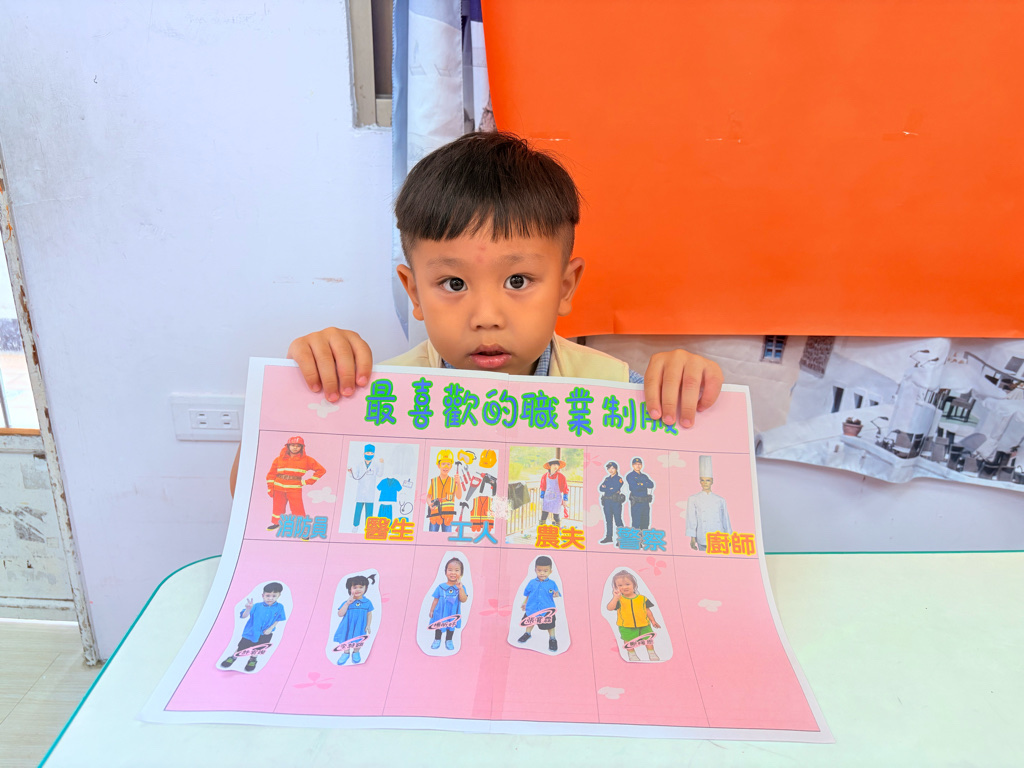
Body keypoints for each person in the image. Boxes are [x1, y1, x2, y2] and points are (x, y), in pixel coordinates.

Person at [275, 133, 723, 465]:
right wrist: (299, 396)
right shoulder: (377, 397)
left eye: (518, 281)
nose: (486, 318)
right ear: (414, 292)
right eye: (454, 284)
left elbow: (690, 483)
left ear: (565, 287)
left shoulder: (618, 392)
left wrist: (690, 393)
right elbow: (263, 495)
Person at [220, 582, 286, 672]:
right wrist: (248, 609)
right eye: (268, 595)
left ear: (279, 595)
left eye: (274, 596)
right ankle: (234, 656)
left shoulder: (280, 607)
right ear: (263, 595)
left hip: (265, 633)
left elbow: (279, 618)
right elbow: (243, 616)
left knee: (258, 648)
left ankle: (253, 659)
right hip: (251, 632)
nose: (270, 598)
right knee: (242, 646)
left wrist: (271, 628)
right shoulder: (256, 606)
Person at [265, 437, 326, 530]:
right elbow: (271, 474)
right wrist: (270, 488)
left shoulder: (307, 460)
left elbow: (321, 470)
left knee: (298, 509)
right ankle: (277, 523)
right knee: (278, 507)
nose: (295, 448)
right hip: (278, 488)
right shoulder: (278, 459)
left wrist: (307, 482)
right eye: (293, 445)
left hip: (294, 488)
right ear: (288, 446)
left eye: (298, 446)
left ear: (302, 448)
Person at [606, 570, 660, 662]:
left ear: (634, 585)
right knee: (628, 640)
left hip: (644, 625)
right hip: (626, 626)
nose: (624, 587)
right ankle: (632, 654)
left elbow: (648, 611)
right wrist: (615, 597)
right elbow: (609, 608)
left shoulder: (642, 598)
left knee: (648, 639)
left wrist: (653, 621)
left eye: (627, 584)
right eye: (620, 585)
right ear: (616, 587)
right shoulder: (619, 600)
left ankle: (651, 653)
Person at [685, 455, 732, 551]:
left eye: (708, 480)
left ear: (712, 481)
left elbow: (725, 519)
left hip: (719, 535)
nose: (705, 483)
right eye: (702, 480)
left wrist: (729, 536)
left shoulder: (720, 500)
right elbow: (692, 520)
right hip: (702, 536)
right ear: (700, 482)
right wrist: (692, 538)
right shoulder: (693, 499)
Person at [516, 555, 562, 652]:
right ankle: (527, 634)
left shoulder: (552, 583)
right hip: (532, 608)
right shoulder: (531, 582)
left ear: (550, 571)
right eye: (539, 570)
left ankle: (552, 639)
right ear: (535, 570)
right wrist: (524, 603)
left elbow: (556, 594)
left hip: (547, 609)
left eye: (545, 571)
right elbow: (528, 595)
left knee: (550, 625)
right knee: (530, 621)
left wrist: (556, 594)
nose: (542, 573)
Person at [427, 557, 468, 651]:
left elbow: (463, 599)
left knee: (451, 626)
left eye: (456, 570)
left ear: (461, 573)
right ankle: (437, 639)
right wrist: (431, 611)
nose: (453, 573)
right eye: (450, 570)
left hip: (452, 613)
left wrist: (460, 588)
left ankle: (449, 640)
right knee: (438, 626)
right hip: (440, 613)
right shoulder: (440, 587)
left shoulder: (461, 587)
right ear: (445, 572)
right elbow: (435, 600)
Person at [333, 574, 375, 665]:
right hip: (347, 626)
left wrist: (368, 625)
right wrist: (347, 603)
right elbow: (340, 614)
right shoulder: (347, 602)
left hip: (360, 626)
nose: (358, 589)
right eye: (355, 587)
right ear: (350, 589)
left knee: (359, 639)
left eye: (361, 587)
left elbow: (369, 614)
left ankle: (356, 652)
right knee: (346, 639)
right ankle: (346, 653)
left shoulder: (367, 602)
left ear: (365, 588)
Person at [426, 450, 462, 532]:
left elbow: (459, 496)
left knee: (446, 539)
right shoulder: (434, 481)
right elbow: (428, 497)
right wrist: (429, 503)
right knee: (431, 538)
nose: (446, 467)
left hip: (447, 518)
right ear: (438, 465)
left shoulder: (453, 481)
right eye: (443, 464)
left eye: (448, 464)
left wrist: (459, 483)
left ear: (451, 466)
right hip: (435, 516)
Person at [348, 443, 382, 528]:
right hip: (361, 492)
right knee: (358, 510)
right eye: (367, 453)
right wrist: (350, 472)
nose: (369, 455)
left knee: (369, 512)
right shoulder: (359, 465)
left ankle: (368, 527)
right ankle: (355, 526)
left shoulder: (376, 465)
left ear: (373, 454)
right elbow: (356, 476)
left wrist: (382, 464)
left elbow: (380, 474)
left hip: (370, 492)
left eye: (371, 453)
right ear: (364, 453)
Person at [598, 461, 625, 544]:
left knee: (618, 520)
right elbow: (600, 488)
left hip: (615, 502)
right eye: (609, 468)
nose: (611, 470)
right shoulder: (607, 479)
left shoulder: (619, 479)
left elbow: (615, 489)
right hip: (607, 502)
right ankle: (609, 537)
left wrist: (607, 488)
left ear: (616, 469)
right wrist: (609, 488)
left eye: (613, 468)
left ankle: (622, 538)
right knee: (608, 520)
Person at [625, 457, 655, 530]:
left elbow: (651, 485)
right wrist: (644, 484)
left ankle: (643, 537)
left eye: (639, 464)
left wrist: (640, 484)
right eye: (636, 464)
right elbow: (635, 487)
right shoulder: (630, 476)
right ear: (632, 465)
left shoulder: (644, 476)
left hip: (645, 503)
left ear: (641, 465)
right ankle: (635, 537)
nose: (638, 466)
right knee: (636, 523)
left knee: (645, 523)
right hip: (636, 503)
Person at [539, 458, 569, 527]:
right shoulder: (545, 476)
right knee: (544, 514)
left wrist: (565, 499)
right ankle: (541, 529)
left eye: (557, 465)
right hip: (547, 498)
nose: (556, 466)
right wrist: (541, 498)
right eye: (554, 464)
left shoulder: (561, 476)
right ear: (550, 466)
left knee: (556, 516)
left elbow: (565, 489)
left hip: (556, 499)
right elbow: (543, 487)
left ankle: (557, 530)